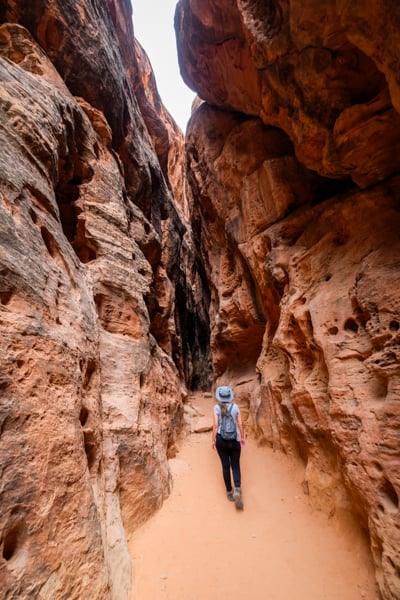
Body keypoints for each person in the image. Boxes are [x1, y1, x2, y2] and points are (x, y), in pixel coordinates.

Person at [212, 385, 245, 509]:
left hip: (221, 439)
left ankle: (229, 492)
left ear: (219, 397)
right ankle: (237, 488)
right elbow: (240, 424)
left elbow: (215, 425)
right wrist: (242, 437)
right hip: (234, 439)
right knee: (235, 465)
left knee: (225, 466)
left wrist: (213, 440)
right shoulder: (235, 407)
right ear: (229, 396)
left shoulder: (216, 407)